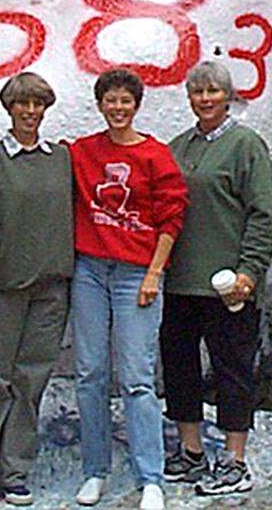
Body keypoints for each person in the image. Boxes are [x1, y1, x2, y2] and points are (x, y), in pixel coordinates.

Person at [0, 72, 75, 509]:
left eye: (38, 104)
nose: (30, 111)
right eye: (23, 103)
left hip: (49, 292)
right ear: (10, 108)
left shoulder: (60, 159)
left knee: (30, 382)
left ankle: (15, 473)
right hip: (0, 290)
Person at [70, 68, 188, 510]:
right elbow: (39, 158)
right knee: (90, 373)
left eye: (125, 101)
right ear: (100, 104)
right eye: (110, 100)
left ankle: (150, 477)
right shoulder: (83, 151)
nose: (117, 108)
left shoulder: (156, 155)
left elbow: (171, 218)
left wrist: (154, 273)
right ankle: (95, 470)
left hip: (137, 273)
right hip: (90, 270)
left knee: (137, 377)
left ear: (136, 105)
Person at [161, 62, 272, 497]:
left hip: (230, 286)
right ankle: (191, 452)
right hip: (180, 281)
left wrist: (250, 270)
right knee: (179, 366)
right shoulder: (178, 147)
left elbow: (263, 214)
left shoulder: (246, 145)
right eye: (198, 92)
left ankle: (234, 461)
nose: (205, 99)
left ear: (228, 97)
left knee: (232, 369)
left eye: (213, 91)